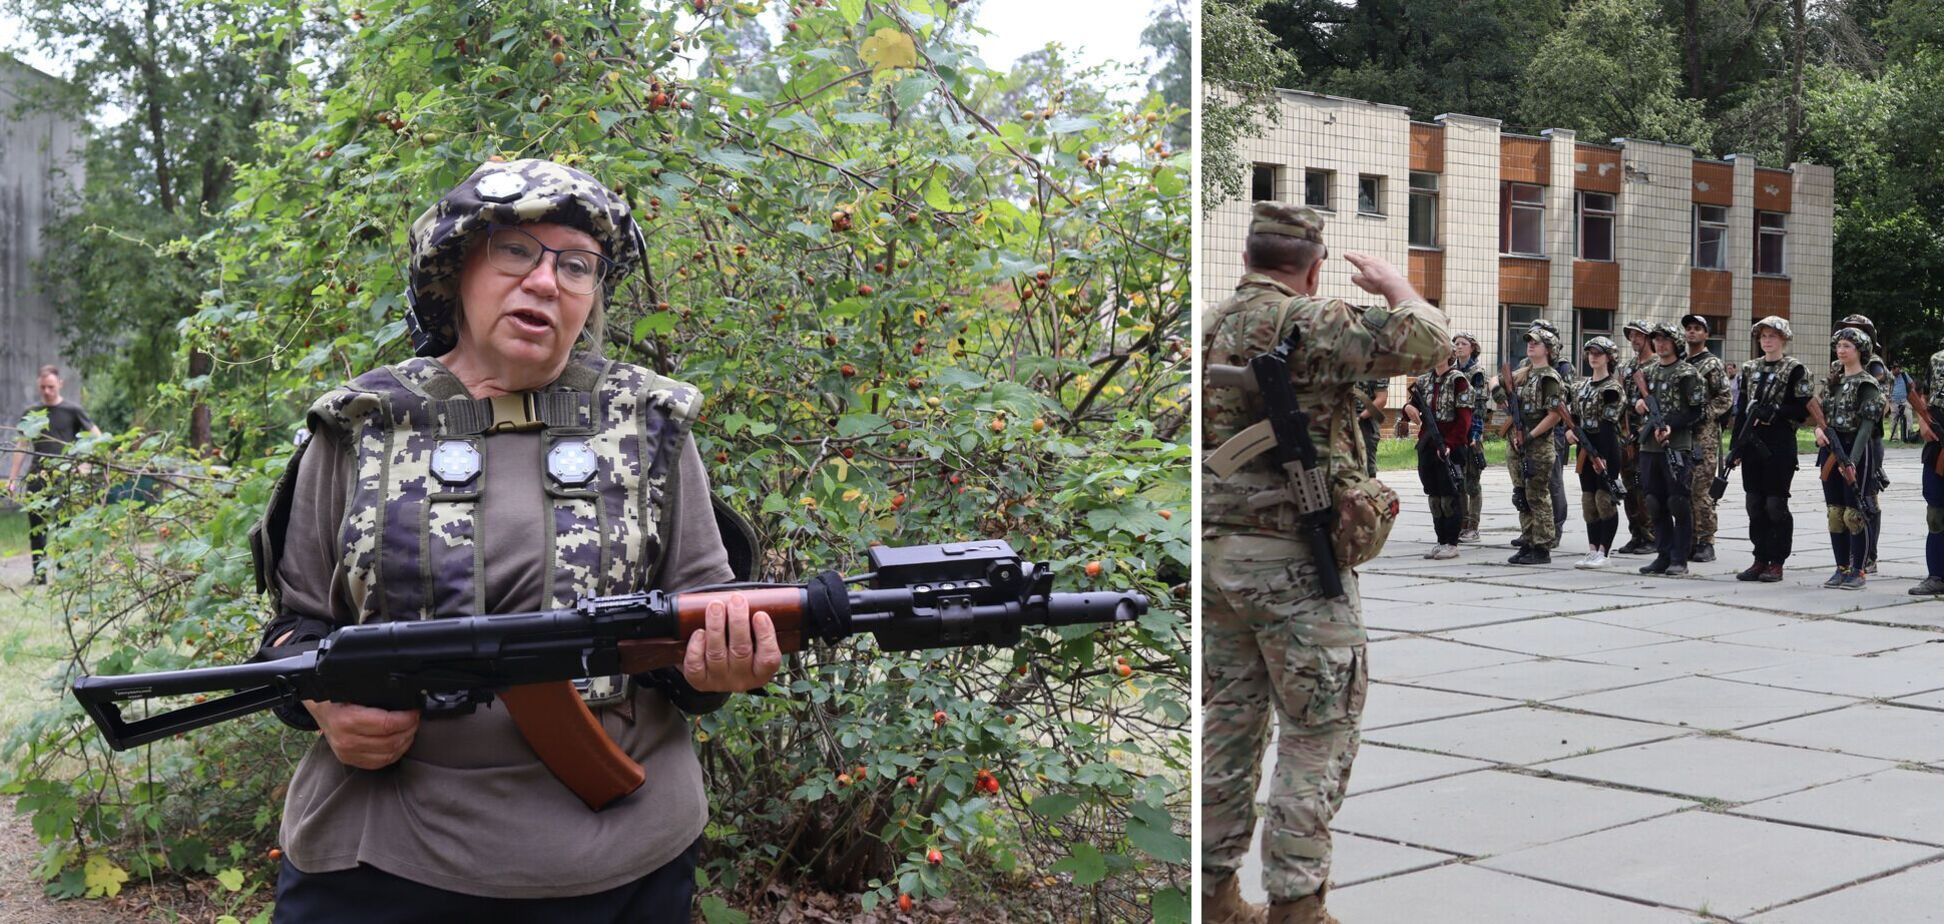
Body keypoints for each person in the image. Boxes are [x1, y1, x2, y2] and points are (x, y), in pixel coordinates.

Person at [251, 159, 781, 921]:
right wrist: (324, 702)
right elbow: (294, 629)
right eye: (516, 252)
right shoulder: (361, 425)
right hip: (379, 860)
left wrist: (724, 664)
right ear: (457, 269)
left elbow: (705, 616)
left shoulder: (649, 423)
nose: (546, 282)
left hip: (622, 866)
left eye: (576, 265)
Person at [1202, 202, 1449, 924]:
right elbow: (1428, 341)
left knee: (1231, 724)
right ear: (1312, 267)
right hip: (1294, 563)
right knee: (1318, 729)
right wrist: (1395, 284)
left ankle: (1214, 895)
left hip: (1219, 561)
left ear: (1249, 258)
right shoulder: (1309, 322)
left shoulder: (1212, 322)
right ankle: (1296, 905)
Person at [1727, 317, 1811, 582]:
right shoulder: (1750, 368)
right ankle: (1759, 557)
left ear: (1783, 339)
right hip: (1751, 443)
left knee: (1775, 504)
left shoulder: (1795, 369)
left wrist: (1775, 411)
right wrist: (1734, 448)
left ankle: (1777, 560)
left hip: (1779, 443)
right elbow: (1741, 409)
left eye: (1773, 336)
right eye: (1763, 336)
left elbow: (1802, 408)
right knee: (1754, 503)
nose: (1767, 340)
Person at [4, 365, 101, 584]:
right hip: (37, 478)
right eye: (42, 387)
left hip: (64, 479)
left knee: (63, 527)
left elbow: (97, 437)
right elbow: (21, 445)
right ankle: (39, 576)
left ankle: (64, 572)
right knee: (36, 528)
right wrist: (12, 478)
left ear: (60, 384)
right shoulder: (31, 413)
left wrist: (84, 465)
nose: (46, 391)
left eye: (50, 387)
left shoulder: (73, 410)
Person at [1814, 327, 1886, 590]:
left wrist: (1851, 462)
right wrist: (1819, 432)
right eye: (1839, 346)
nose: (1841, 350)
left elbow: (1867, 427)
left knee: (1854, 514)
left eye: (1847, 346)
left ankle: (1859, 569)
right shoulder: (1833, 381)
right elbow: (1819, 414)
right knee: (1835, 513)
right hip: (1830, 448)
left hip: (1855, 448)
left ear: (1860, 351)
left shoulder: (1868, 383)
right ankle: (1841, 567)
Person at [1635, 323, 1706, 577]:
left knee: (1678, 502)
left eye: (1665, 339)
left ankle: (1680, 558)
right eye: (1656, 340)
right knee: (1654, 502)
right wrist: (1640, 405)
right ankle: (1662, 555)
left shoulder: (1687, 373)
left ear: (1674, 342)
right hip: (1649, 446)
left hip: (1676, 446)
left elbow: (1698, 411)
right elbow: (1637, 398)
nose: (1661, 344)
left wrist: (1670, 426)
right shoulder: (1648, 371)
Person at [1491, 328, 1566, 565]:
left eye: (1536, 342)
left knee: (1537, 496)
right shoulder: (1525, 373)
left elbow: (1554, 415)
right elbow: (1495, 379)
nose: (1531, 345)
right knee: (1521, 495)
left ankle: (1542, 547)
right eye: (1529, 342)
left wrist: (1530, 436)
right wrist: (1500, 395)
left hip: (1538, 443)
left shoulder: (1549, 377)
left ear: (1548, 349)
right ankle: (1528, 540)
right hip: (1517, 442)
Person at [1829, 314, 1891, 572]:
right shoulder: (1837, 367)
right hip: (1838, 440)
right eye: (1845, 331)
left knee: (1865, 498)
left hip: (1867, 439)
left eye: (1856, 331)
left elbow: (1882, 408)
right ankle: (1847, 560)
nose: (1849, 334)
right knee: (1838, 507)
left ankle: (1868, 556)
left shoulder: (1874, 367)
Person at [1403, 345, 1472, 560]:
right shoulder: (1423, 381)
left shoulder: (1458, 380)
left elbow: (1464, 420)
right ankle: (1440, 540)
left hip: (1450, 444)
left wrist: (1451, 444)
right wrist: (1407, 409)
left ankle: (1451, 542)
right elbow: (1412, 406)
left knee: (1449, 495)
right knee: (1433, 495)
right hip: (1428, 443)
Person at [1566, 338, 1626, 569]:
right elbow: (1573, 418)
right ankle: (1592, 549)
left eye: (1599, 353)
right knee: (1588, 500)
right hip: (1585, 448)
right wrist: (1570, 433)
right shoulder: (1580, 387)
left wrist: (1600, 455)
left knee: (1604, 499)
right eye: (1590, 352)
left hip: (1606, 448)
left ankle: (1604, 551)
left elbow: (1608, 425)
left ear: (1609, 357)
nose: (1593, 357)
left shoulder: (1613, 388)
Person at [1682, 314, 1732, 563]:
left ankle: (1706, 540)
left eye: (1697, 329)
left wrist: (1704, 415)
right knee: (1682, 488)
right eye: (1689, 329)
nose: (1691, 332)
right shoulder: (1680, 362)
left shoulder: (1712, 364)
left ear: (1706, 334)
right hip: (1681, 435)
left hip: (1704, 437)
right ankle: (1688, 538)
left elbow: (1724, 398)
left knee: (1700, 490)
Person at [1615, 321, 1656, 554]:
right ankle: (1636, 534)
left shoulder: (1656, 365)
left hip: (1647, 434)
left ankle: (1652, 535)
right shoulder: (1626, 366)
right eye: (1631, 335)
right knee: (1629, 487)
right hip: (1627, 434)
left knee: (1646, 486)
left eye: (1638, 335)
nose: (1634, 339)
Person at [1452, 333, 1488, 544]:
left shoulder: (1477, 372)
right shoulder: (1453, 369)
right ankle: (1462, 523)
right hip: (1456, 430)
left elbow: (1480, 406)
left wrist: (1475, 433)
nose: (1458, 347)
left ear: (1473, 348)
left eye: (1463, 344)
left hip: (1471, 431)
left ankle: (1473, 526)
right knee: (1458, 481)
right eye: (1456, 343)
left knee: (1472, 482)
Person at [1916, 348, 1944, 596]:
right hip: (1938, 444)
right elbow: (1923, 395)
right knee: (1935, 513)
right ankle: (1936, 575)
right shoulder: (1937, 359)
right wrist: (1923, 422)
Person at [1355, 379, 1387, 477]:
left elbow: (1381, 399)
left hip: (1365, 421)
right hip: (1339, 418)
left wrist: (1359, 417)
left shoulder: (1377, 368)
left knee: (1367, 468)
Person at [1890, 364, 1912, 442]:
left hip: (1904, 400)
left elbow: (1911, 383)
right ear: (1892, 369)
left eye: (1898, 369)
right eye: (1895, 369)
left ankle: (1908, 435)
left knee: (1909, 415)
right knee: (1894, 419)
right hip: (1893, 401)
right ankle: (1894, 437)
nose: (1897, 371)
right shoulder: (1889, 376)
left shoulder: (1904, 375)